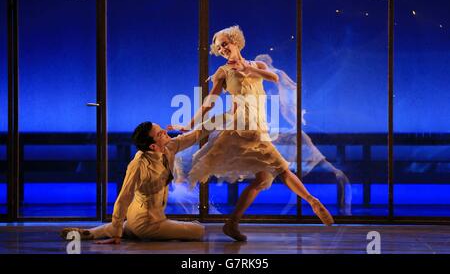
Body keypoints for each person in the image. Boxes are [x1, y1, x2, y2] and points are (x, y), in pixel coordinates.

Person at [170, 26, 334, 242]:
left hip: (259, 127)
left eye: (225, 44)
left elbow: (273, 78)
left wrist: (250, 71)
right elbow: (210, 102)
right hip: (242, 129)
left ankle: (232, 223)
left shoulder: (257, 65)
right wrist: (191, 122)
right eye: (218, 48)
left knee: (262, 178)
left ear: (236, 41)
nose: (222, 49)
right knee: (282, 168)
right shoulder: (223, 72)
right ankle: (312, 201)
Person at [61, 122, 207, 244]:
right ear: (153, 146)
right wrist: (117, 236)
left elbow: (194, 135)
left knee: (123, 227)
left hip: (137, 219)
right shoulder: (138, 164)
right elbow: (124, 196)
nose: (164, 131)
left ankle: (91, 233)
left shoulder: (168, 148)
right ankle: (117, 231)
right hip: (148, 223)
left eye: (160, 129)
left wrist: (221, 119)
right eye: (159, 134)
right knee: (199, 230)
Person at [255, 54, 352, 215]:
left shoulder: (277, 77)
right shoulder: (270, 91)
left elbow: (289, 92)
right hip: (283, 136)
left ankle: (332, 196)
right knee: (284, 166)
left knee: (299, 166)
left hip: (290, 137)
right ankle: (299, 202)